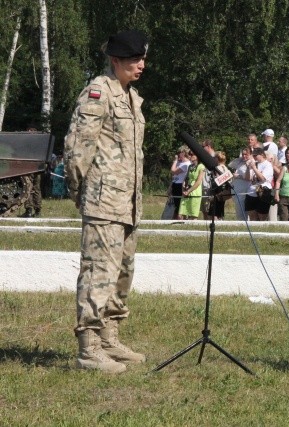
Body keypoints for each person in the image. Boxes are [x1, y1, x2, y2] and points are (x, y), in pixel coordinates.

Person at [64, 29, 149, 373]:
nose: (141, 65)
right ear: (116, 61)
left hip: (127, 203)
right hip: (103, 201)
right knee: (99, 272)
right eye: (134, 60)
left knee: (122, 273)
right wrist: (79, 191)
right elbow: (78, 146)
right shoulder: (98, 93)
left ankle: (110, 338)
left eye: (142, 59)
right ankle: (88, 347)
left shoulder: (130, 96)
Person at [244, 147, 273, 221]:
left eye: (255, 156)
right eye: (253, 156)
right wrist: (248, 168)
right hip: (251, 192)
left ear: (262, 155)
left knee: (262, 216)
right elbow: (248, 178)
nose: (254, 157)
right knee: (252, 216)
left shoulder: (268, 165)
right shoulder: (254, 164)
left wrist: (254, 168)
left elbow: (262, 179)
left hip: (263, 192)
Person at [21, 125, 42, 217]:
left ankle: (29, 209)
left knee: (28, 188)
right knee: (36, 189)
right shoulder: (40, 143)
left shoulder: (27, 143)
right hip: (38, 167)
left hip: (29, 168)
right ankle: (37, 210)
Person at [178, 150, 206, 220]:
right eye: (189, 155)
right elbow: (186, 178)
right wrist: (183, 187)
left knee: (193, 215)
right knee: (180, 215)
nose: (190, 156)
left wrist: (189, 191)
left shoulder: (201, 166)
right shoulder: (190, 166)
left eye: (191, 155)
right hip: (186, 191)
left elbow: (198, 181)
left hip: (195, 192)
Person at [230, 147, 252, 220]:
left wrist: (239, 176)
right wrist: (240, 158)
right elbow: (230, 164)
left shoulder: (251, 163)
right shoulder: (241, 162)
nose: (244, 156)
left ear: (250, 154)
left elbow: (250, 178)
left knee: (242, 212)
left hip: (244, 190)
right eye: (243, 154)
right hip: (237, 190)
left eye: (246, 154)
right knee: (239, 211)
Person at [170, 145, 191, 219]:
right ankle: (175, 218)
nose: (178, 154)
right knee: (176, 204)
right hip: (175, 184)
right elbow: (174, 176)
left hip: (180, 185)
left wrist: (175, 161)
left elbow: (173, 171)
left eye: (180, 152)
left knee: (179, 204)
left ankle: (180, 218)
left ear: (184, 153)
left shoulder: (186, 164)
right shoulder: (180, 163)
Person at [210, 151, 231, 220]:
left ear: (217, 158)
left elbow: (216, 181)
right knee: (220, 209)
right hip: (223, 190)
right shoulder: (225, 168)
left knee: (215, 211)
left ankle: (217, 222)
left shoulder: (217, 168)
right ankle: (220, 220)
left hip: (217, 191)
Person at [200, 140, 216, 220]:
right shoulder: (204, 158)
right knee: (204, 210)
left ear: (209, 146)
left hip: (210, 187)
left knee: (209, 209)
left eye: (203, 147)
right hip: (203, 186)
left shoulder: (216, 158)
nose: (201, 148)